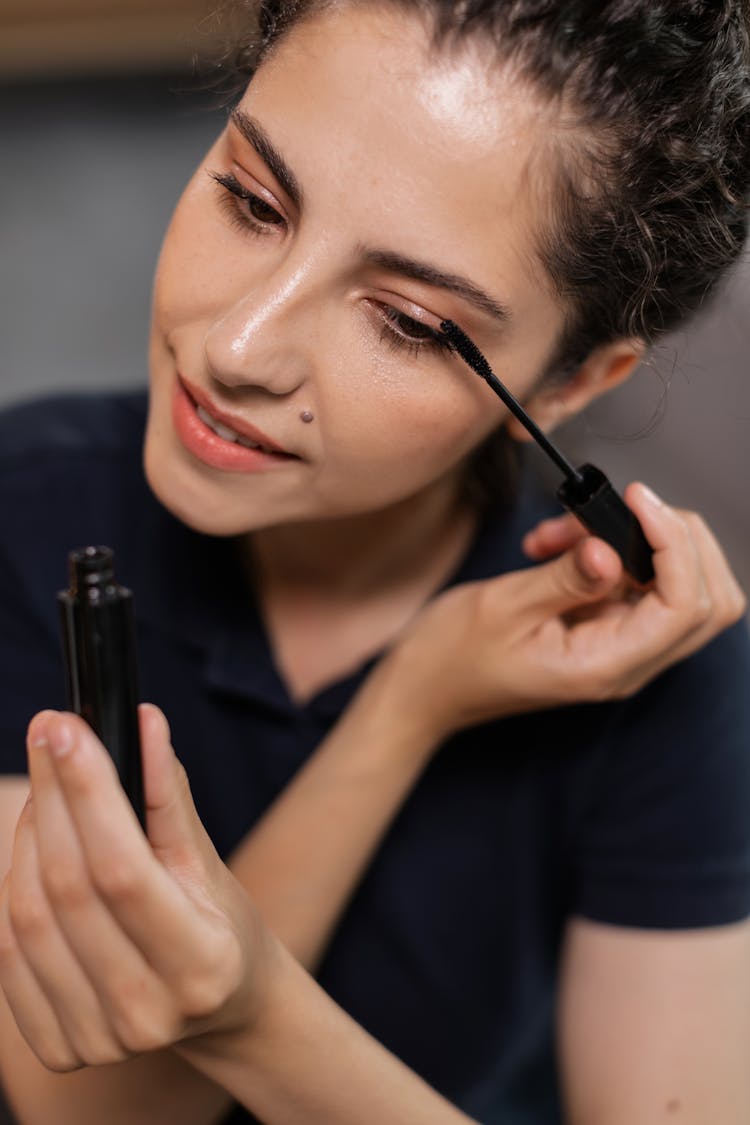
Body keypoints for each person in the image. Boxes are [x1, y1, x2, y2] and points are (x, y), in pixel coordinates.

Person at [1, 1, 749, 1122]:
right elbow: (88, 1109)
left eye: (404, 321)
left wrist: (259, 1017)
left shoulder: (659, 676)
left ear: (564, 389)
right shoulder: (25, 507)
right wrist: (404, 708)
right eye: (252, 202)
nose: (236, 347)